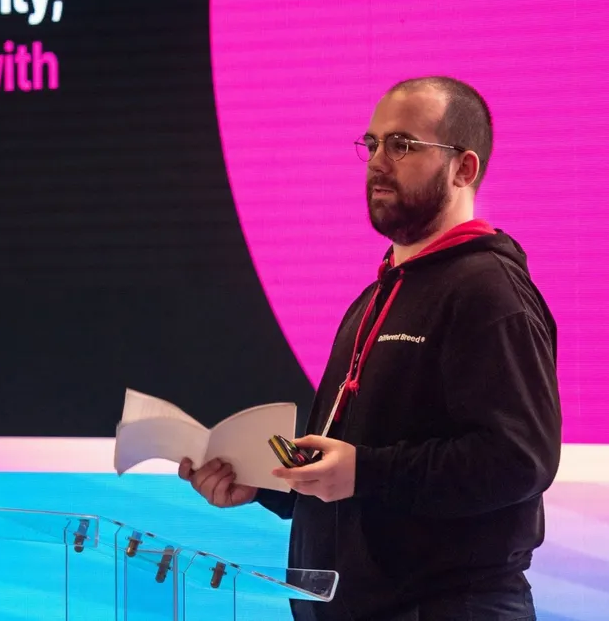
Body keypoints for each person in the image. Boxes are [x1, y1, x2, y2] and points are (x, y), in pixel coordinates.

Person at [179, 76, 562, 621]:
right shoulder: (378, 296)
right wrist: (268, 484)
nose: (378, 161)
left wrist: (364, 472)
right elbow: (359, 459)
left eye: (403, 145)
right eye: (373, 143)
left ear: (464, 168)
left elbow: (519, 460)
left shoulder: (487, 290)